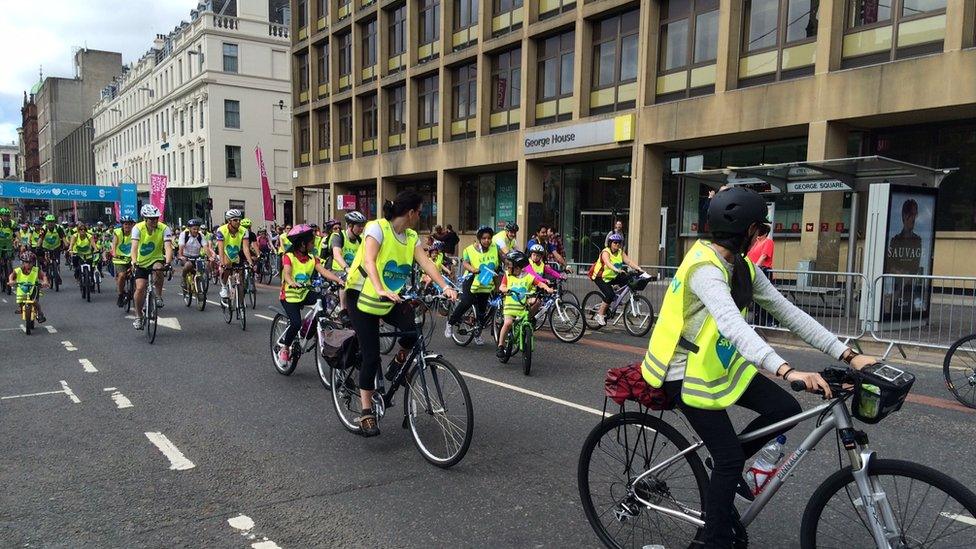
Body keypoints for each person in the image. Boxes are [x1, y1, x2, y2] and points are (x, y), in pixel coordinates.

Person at [640, 186, 878, 548]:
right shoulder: (705, 269)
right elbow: (733, 325)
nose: (761, 234)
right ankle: (714, 540)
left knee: (785, 408)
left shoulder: (742, 268)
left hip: (715, 363)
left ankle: (724, 466)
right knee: (730, 459)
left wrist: (848, 354)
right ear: (750, 230)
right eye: (759, 228)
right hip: (683, 371)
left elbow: (789, 313)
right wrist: (787, 370)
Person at [344, 190, 458, 436]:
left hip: (389, 295)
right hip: (361, 294)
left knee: (413, 332)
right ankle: (366, 412)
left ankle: (397, 364)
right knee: (371, 355)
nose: (421, 215)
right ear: (411, 212)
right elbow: (369, 261)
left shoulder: (411, 236)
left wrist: (446, 286)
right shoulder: (377, 228)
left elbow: (426, 263)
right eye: (420, 211)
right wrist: (379, 288)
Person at [276, 224, 345, 366]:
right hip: (290, 296)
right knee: (295, 323)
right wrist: (292, 282)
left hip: (305, 292)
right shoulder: (289, 256)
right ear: (303, 244)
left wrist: (338, 280)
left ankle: (311, 327)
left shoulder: (312, 258)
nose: (314, 244)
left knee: (322, 300)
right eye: (311, 242)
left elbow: (323, 271)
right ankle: (285, 348)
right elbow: (287, 274)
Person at [445, 225, 499, 345]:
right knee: (466, 301)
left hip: (485, 282)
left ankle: (477, 334)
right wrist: (473, 269)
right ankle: (450, 323)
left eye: (489, 238)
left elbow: (500, 264)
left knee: (482, 311)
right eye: (484, 238)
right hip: (471, 279)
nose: (487, 241)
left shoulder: (495, 248)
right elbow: (465, 262)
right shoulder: (470, 249)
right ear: (479, 239)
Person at [496, 250, 553, 360]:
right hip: (510, 307)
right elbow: (501, 287)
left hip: (522, 306)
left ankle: (524, 333)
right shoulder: (507, 275)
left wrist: (547, 288)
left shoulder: (528, 277)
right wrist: (506, 289)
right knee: (507, 323)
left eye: (509, 265)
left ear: (517, 267)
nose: (507, 268)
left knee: (527, 316)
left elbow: (539, 283)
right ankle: (500, 345)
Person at [130, 205, 174, 329]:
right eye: (151, 219)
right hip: (141, 262)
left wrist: (168, 262)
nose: (155, 221)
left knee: (159, 268)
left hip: (156, 258)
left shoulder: (164, 228)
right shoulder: (137, 228)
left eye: (156, 218)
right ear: (145, 218)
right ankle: (138, 316)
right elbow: (134, 247)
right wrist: (133, 261)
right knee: (139, 288)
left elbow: (168, 247)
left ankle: (158, 296)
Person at [589, 233, 643, 326]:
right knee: (609, 295)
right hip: (600, 277)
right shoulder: (605, 252)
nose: (617, 245)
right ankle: (600, 314)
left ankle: (620, 294)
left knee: (629, 279)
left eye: (619, 243)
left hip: (612, 276)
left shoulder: (620, 252)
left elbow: (629, 261)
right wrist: (617, 269)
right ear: (610, 243)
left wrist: (638, 268)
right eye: (615, 243)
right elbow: (608, 263)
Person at [329, 211, 366, 315]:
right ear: (350, 225)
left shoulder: (361, 239)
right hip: (337, 270)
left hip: (354, 271)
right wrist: (346, 268)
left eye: (363, 226)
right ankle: (343, 309)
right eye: (359, 226)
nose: (361, 228)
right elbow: (337, 255)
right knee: (346, 278)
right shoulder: (339, 236)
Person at [216, 209, 254, 300]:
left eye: (239, 220)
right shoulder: (221, 230)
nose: (238, 222)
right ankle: (224, 286)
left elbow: (245, 248)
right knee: (228, 264)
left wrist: (250, 262)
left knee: (240, 274)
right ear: (229, 221)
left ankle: (240, 304)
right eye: (235, 220)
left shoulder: (244, 230)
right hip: (225, 251)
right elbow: (220, 249)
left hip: (235, 253)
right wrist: (222, 263)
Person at [746, 224, 775, 326]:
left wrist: (755, 267)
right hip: (754, 270)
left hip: (763, 271)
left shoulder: (768, 242)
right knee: (755, 297)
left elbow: (763, 256)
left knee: (763, 297)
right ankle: (757, 319)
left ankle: (766, 320)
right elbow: (749, 255)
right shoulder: (756, 243)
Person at [8, 251, 47, 322]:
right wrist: (11, 281)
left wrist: (45, 282)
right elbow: (11, 276)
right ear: (22, 262)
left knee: (35, 301)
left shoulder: (36, 270)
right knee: (20, 300)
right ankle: (21, 307)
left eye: (30, 262)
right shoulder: (18, 270)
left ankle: (40, 313)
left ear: (33, 263)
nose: (28, 264)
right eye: (26, 262)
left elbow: (43, 276)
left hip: (34, 288)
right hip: (22, 288)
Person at [109, 215, 136, 307]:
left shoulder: (135, 233)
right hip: (120, 259)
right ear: (122, 225)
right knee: (121, 275)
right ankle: (120, 295)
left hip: (132, 258)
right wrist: (114, 253)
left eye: (129, 224)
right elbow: (114, 245)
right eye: (125, 224)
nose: (127, 226)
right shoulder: (118, 233)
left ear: (132, 225)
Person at [178, 219, 212, 290]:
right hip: (186, 257)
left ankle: (199, 283)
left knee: (202, 267)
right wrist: (181, 256)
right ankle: (183, 278)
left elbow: (205, 247)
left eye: (197, 229)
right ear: (189, 228)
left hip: (196, 256)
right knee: (188, 265)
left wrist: (210, 257)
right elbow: (181, 246)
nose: (196, 231)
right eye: (194, 229)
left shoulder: (200, 235)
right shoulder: (184, 234)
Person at [0, 207, 16, 272]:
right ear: (1, 216)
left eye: (8, 216)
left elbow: (17, 233)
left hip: (8, 244)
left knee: (9, 260)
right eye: (4, 215)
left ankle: (9, 272)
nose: (6, 217)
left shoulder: (12, 223)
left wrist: (21, 243)